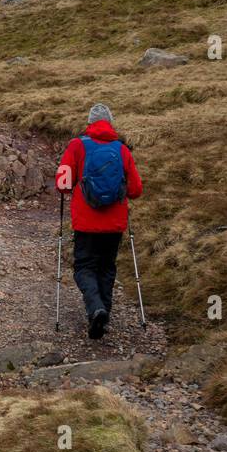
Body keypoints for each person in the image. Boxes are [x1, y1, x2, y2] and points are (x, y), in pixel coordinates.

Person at [57, 103, 143, 339]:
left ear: (89, 123)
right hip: (114, 223)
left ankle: (96, 309)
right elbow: (135, 189)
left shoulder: (77, 145)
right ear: (110, 123)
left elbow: (63, 183)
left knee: (84, 267)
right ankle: (103, 317)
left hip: (86, 223)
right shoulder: (122, 149)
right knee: (107, 267)